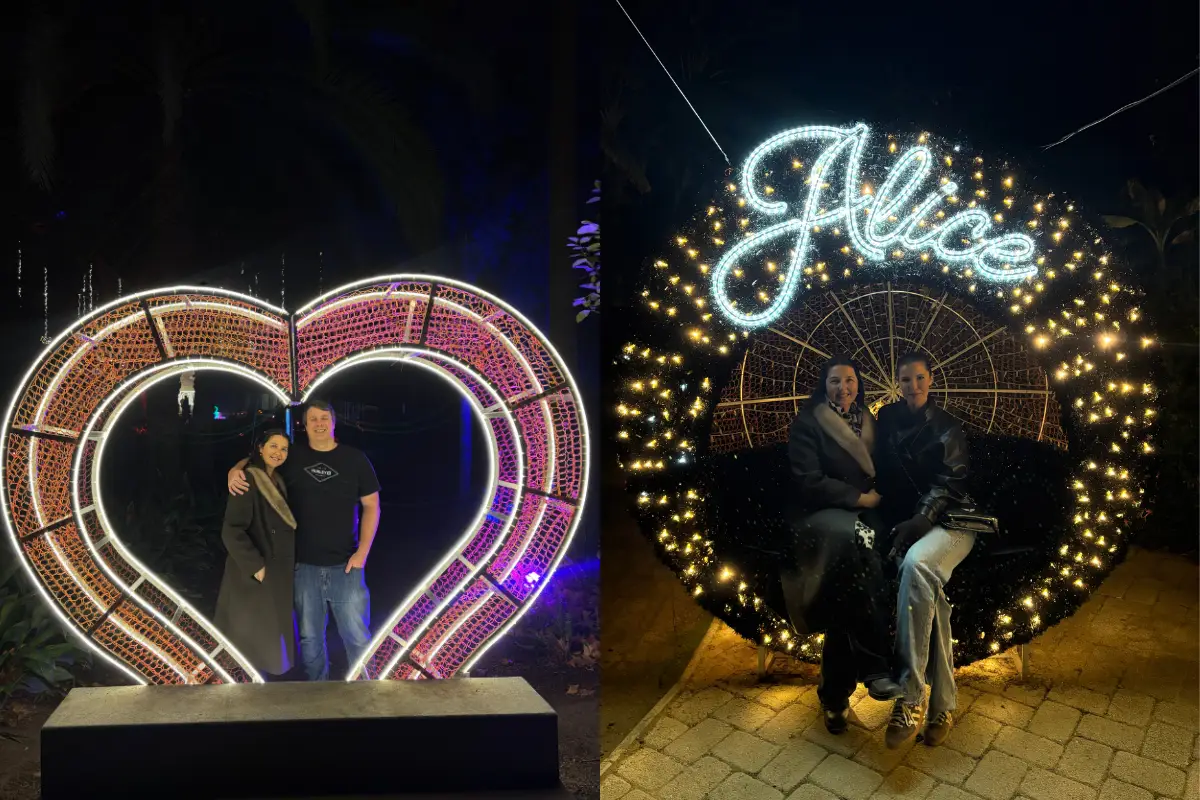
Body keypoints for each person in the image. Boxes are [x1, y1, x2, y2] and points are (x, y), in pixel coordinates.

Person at [782, 355, 903, 735]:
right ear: (825, 385)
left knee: (848, 588)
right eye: (835, 381)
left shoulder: (870, 421)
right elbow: (808, 481)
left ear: (858, 385)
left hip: (866, 519)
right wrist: (859, 498)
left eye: (849, 381)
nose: (843, 388)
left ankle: (834, 698)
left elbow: (887, 467)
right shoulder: (808, 424)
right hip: (822, 516)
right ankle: (875, 669)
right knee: (857, 551)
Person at [228, 401, 381, 681]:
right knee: (310, 639)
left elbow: (372, 505)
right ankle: (317, 696)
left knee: (357, 635)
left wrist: (362, 553)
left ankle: (367, 692)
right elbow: (258, 461)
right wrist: (235, 469)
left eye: (325, 418)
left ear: (334, 422)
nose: (319, 423)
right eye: (313, 419)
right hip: (303, 566)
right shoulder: (293, 455)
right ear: (305, 424)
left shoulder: (355, 459)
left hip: (346, 565)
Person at [876, 352, 973, 749]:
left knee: (917, 565)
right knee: (929, 591)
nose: (913, 386)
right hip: (907, 522)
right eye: (905, 379)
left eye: (920, 378)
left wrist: (922, 518)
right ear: (897, 383)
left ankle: (910, 696)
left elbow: (951, 483)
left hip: (952, 523)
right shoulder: (885, 421)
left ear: (931, 380)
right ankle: (944, 706)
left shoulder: (949, 428)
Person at [213, 429, 297, 679]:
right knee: (250, 635)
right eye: (273, 446)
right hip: (252, 574)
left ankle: (262, 684)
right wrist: (256, 567)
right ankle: (245, 687)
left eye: (283, 449)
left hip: (275, 569)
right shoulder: (248, 479)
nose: (278, 453)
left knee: (268, 632)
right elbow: (231, 530)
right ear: (260, 448)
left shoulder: (277, 479)